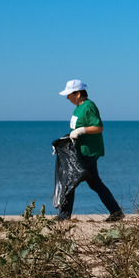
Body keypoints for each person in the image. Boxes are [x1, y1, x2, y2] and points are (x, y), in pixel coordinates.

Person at [56, 79, 124, 222]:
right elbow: (76, 130)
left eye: (69, 94)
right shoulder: (78, 108)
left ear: (78, 93)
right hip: (80, 151)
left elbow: (98, 127)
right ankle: (116, 212)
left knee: (70, 180)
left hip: (88, 151)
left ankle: (64, 216)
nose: (67, 98)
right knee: (94, 183)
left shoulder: (89, 106)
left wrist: (81, 130)